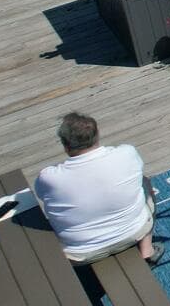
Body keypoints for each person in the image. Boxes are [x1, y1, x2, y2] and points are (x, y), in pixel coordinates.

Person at [31, 113, 160, 265]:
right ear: (97, 136)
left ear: (65, 146)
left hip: (80, 253)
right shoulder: (127, 153)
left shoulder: (49, 177)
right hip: (135, 232)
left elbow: (41, 196)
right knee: (144, 181)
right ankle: (147, 250)